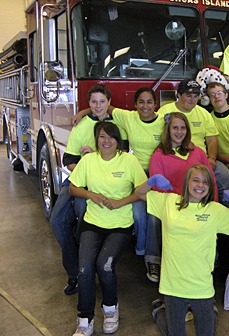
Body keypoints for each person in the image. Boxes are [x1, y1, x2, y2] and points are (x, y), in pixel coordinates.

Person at [135, 164, 229, 336]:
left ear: (210, 187)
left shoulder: (214, 210)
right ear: (187, 182)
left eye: (205, 182)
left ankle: (209, 312)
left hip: (201, 286)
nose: (200, 185)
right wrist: (152, 181)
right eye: (196, 180)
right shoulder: (169, 202)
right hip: (173, 285)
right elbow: (139, 194)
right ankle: (159, 313)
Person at [72, 87, 162, 279]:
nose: (145, 106)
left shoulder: (163, 120)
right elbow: (102, 106)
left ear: (156, 104)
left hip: (151, 174)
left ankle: (146, 254)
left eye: (149, 102)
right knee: (70, 211)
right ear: (135, 105)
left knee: (147, 214)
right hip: (123, 176)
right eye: (141, 102)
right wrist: (83, 112)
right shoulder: (127, 117)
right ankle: (81, 255)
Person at [69, 122, 147, 336]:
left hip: (120, 224)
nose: (106, 141)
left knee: (104, 265)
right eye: (102, 136)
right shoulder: (88, 161)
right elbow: (73, 188)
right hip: (92, 222)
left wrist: (122, 201)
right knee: (84, 268)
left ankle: (110, 309)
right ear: (96, 140)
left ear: (118, 141)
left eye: (111, 137)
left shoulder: (129, 161)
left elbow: (143, 191)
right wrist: (90, 195)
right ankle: (84, 318)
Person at [49, 84, 126, 296]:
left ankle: (88, 269)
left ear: (109, 103)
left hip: (108, 182)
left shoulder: (118, 123)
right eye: (93, 102)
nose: (98, 106)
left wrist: (97, 156)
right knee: (57, 220)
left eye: (102, 102)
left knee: (83, 216)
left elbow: (125, 153)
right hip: (79, 180)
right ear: (88, 104)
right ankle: (75, 271)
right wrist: (87, 170)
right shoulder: (81, 125)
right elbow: (69, 160)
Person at [147, 112, 218, 281]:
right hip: (173, 204)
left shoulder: (198, 152)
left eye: (183, 128)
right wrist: (180, 204)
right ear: (168, 130)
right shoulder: (158, 156)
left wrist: (213, 204)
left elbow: (211, 179)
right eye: (175, 128)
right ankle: (154, 260)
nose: (179, 132)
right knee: (153, 217)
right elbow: (158, 189)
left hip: (199, 202)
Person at [158, 79, 229, 211]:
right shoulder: (165, 112)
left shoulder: (203, 113)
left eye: (196, 96)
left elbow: (212, 140)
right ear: (178, 95)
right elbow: (161, 138)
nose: (192, 99)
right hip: (176, 158)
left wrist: (212, 158)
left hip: (203, 159)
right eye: (188, 95)